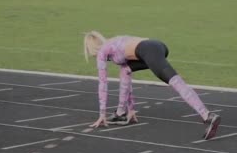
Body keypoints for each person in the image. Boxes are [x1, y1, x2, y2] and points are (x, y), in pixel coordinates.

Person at [83, 31, 221, 140]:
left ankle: (207, 115)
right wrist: (131, 108)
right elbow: (127, 78)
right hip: (158, 46)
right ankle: (121, 113)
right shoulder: (114, 42)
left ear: (91, 48)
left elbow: (103, 84)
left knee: (176, 82)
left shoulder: (103, 52)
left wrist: (102, 114)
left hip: (149, 51)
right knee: (125, 70)